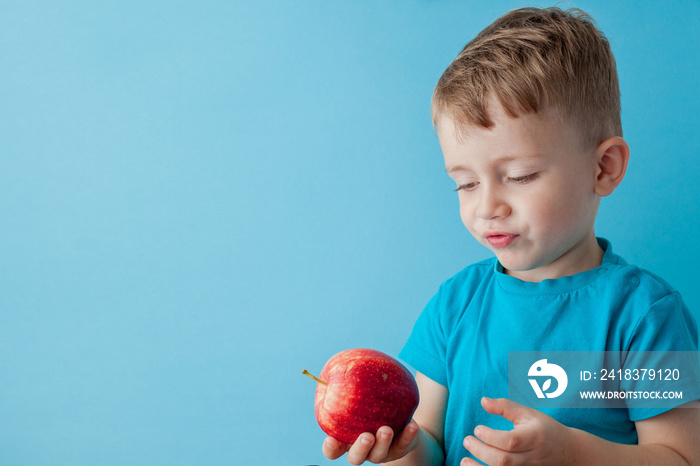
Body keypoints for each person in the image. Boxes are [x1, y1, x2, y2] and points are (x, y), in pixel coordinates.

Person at [320, 6, 700, 466]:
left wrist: (572, 454)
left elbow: (682, 456)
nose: (487, 207)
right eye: (466, 183)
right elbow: (431, 442)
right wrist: (402, 448)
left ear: (603, 168)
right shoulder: (454, 305)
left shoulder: (646, 315)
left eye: (519, 176)